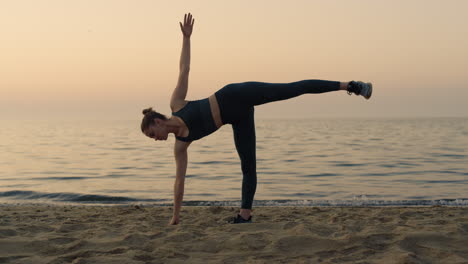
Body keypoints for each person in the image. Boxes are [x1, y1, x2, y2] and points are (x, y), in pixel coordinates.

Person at [141, 13, 373, 225]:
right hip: (238, 118)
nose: (155, 139)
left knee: (292, 89)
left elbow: (184, 69)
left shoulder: (177, 104)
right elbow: (179, 182)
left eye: (152, 134)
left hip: (235, 94)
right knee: (248, 166)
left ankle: (350, 85)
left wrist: (187, 38)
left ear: (157, 122)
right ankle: (245, 215)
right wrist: (175, 216)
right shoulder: (180, 147)